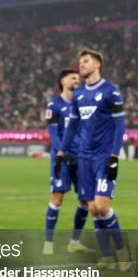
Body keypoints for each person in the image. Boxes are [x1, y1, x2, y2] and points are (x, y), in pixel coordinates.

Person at [57, 48, 128, 271]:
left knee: (102, 205)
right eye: (80, 62)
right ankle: (106, 257)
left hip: (104, 156)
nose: (81, 65)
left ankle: (121, 250)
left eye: (86, 61)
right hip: (84, 158)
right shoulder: (78, 95)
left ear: (98, 64)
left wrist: (115, 156)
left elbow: (119, 125)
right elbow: (72, 127)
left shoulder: (110, 91)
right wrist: (61, 152)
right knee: (93, 209)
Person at [42, 69, 92, 255]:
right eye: (73, 77)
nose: (77, 80)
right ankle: (48, 243)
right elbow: (54, 135)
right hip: (62, 159)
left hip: (82, 158)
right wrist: (62, 152)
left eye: (79, 78)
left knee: (86, 201)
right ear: (62, 81)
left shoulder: (84, 103)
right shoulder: (54, 105)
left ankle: (74, 242)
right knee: (57, 198)